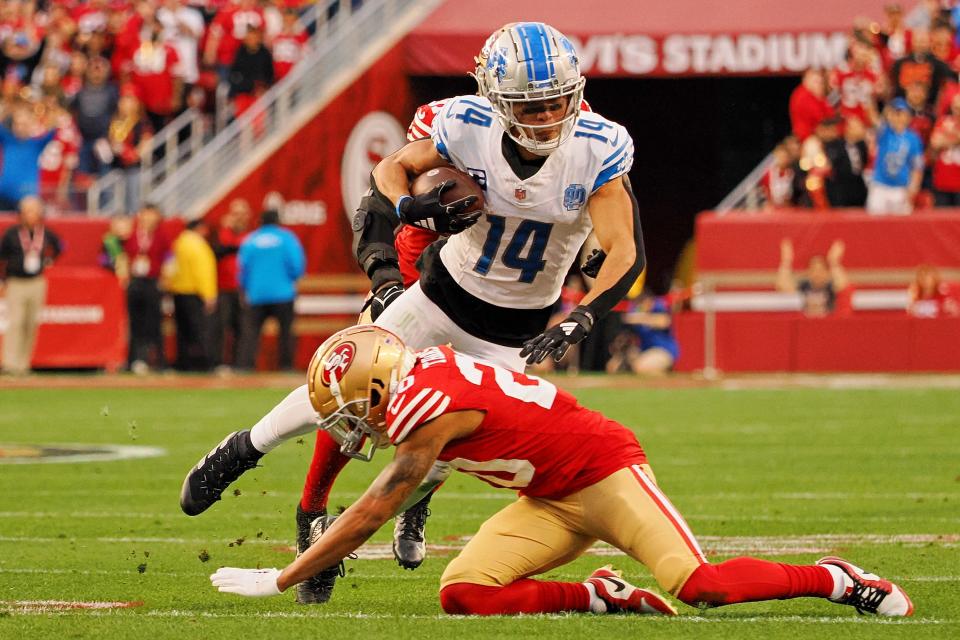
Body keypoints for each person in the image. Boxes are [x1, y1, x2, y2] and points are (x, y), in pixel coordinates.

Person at [181, 22, 645, 606]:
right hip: (441, 293)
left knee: (446, 441)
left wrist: (586, 316)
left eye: (558, 100)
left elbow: (623, 248)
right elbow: (387, 175)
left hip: (517, 330)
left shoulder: (597, 146)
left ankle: (350, 537)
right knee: (347, 385)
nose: (550, 116)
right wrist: (405, 207)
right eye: (532, 104)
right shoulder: (465, 125)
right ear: (498, 99)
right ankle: (246, 447)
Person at [206, 326, 914, 620]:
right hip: (547, 497)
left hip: (604, 475)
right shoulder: (422, 376)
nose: (349, 425)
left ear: (385, 390)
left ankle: (839, 580)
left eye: (355, 410)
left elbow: (371, 512)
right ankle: (600, 596)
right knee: (464, 595)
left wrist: (283, 577)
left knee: (704, 588)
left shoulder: (428, 408)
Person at [0, 196, 62, 375]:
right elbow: (2, 256)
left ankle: (23, 364)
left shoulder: (46, 233)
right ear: (21, 214)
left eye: (34, 211)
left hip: (37, 281)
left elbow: (61, 246)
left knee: (30, 324)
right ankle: (10, 364)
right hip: (16, 281)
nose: (31, 215)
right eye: (28, 211)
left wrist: (49, 260)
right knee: (16, 322)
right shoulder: (12, 234)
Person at [236, 209, 304, 371]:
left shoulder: (250, 240)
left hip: (256, 294)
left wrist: (246, 287)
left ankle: (246, 367)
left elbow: (242, 268)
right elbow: (297, 265)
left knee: (250, 334)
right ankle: (286, 366)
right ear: (278, 221)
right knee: (286, 333)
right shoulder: (287, 238)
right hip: (283, 293)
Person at [164, 218, 217, 371]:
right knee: (200, 330)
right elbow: (203, 271)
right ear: (199, 228)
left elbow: (170, 267)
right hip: (194, 292)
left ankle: (184, 363)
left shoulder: (179, 243)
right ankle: (203, 363)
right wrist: (208, 294)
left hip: (178, 292)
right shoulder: (197, 245)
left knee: (183, 332)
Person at [124, 203, 171, 374]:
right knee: (135, 323)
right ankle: (134, 360)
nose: (149, 219)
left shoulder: (162, 236)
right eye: (146, 215)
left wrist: (166, 276)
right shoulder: (131, 234)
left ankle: (160, 361)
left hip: (153, 281)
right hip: (135, 281)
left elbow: (169, 256)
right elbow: (121, 253)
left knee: (154, 323)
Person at [210, 198, 251, 370]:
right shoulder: (223, 233)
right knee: (221, 326)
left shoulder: (251, 235)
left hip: (243, 289)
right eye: (235, 214)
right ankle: (220, 363)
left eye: (242, 214)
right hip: (224, 288)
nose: (238, 218)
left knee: (242, 328)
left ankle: (240, 364)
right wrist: (226, 228)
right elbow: (221, 248)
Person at [866, 98, 925, 215]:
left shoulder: (913, 138)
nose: (898, 117)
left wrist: (913, 189)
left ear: (908, 116)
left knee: (902, 228)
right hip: (880, 187)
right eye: (895, 113)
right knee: (875, 227)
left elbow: (917, 165)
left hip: (901, 189)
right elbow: (872, 116)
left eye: (901, 113)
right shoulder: (884, 132)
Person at [0, 104, 57, 210]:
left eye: (24, 124)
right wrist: (10, 109)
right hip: (3, 192)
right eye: (17, 124)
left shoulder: (37, 144)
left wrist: (49, 109)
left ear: (31, 125)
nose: (20, 128)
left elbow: (54, 127)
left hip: (26, 197)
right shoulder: (7, 140)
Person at [606, 293, 679, 375]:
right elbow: (626, 336)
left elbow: (664, 321)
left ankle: (666, 377)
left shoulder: (658, 306)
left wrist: (639, 318)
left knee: (641, 367)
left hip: (664, 351)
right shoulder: (634, 310)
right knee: (613, 366)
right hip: (644, 350)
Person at [776, 238, 849, 317]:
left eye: (821, 270)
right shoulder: (805, 286)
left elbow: (843, 286)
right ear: (808, 272)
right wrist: (786, 261)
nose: (817, 273)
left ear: (827, 273)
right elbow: (782, 286)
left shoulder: (831, 286)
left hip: (828, 324)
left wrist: (833, 261)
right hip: (807, 324)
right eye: (813, 269)